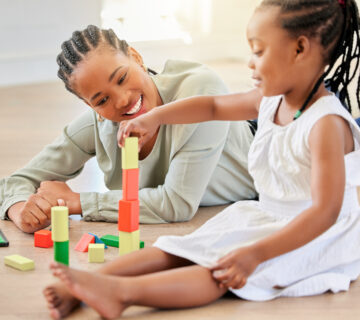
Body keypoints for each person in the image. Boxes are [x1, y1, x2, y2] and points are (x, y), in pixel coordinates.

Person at [43, 0, 360, 319]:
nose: (250, 64)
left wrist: (255, 253)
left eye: (259, 51)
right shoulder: (272, 100)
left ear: (300, 49)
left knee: (219, 272)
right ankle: (84, 288)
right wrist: (154, 117)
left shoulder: (326, 125)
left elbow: (324, 213)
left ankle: (122, 295)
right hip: (269, 216)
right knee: (178, 249)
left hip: (316, 237)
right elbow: (213, 107)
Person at [0, 25, 257, 233]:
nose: (122, 100)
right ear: (88, 105)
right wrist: (21, 210)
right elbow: (16, 181)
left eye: (122, 78)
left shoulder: (199, 90)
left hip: (272, 160)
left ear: (136, 57)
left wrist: (77, 202)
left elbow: (177, 204)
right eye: (101, 100)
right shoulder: (98, 122)